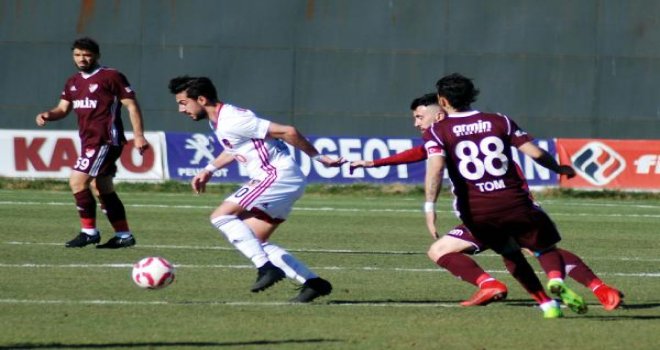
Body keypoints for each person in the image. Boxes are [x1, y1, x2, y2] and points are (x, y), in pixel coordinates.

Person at [350, 93, 623, 310]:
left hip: (486, 211)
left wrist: (427, 206)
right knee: (524, 251)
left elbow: (425, 158)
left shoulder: (445, 132)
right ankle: (591, 288)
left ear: (441, 110)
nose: (417, 123)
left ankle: (547, 298)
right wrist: (371, 162)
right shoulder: (487, 124)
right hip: (500, 209)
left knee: (521, 252)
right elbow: (418, 153)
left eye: (420, 116)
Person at [424, 73, 597, 318]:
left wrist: (429, 207)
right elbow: (535, 154)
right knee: (543, 248)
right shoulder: (499, 121)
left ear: (442, 101)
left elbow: (436, 168)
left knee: (510, 253)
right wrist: (558, 168)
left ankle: (546, 304)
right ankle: (556, 278)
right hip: (513, 202)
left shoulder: (437, 130)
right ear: (472, 96)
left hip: (477, 212)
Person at [168, 76, 344, 302]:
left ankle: (266, 269)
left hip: (275, 175)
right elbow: (234, 147)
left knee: (220, 216)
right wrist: (209, 169)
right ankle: (313, 283)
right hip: (282, 179)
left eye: (183, 103)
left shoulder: (232, 119)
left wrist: (320, 158)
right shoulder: (219, 120)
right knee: (253, 239)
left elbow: (288, 131)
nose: (180, 109)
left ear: (201, 99)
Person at [35, 37, 149, 249]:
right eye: (77, 55)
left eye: (86, 54)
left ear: (96, 55)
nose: (82, 59)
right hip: (89, 141)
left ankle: (89, 232)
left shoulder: (111, 76)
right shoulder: (73, 82)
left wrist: (139, 135)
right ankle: (124, 236)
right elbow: (62, 109)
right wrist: (47, 115)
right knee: (101, 187)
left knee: (77, 182)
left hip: (105, 139)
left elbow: (131, 106)